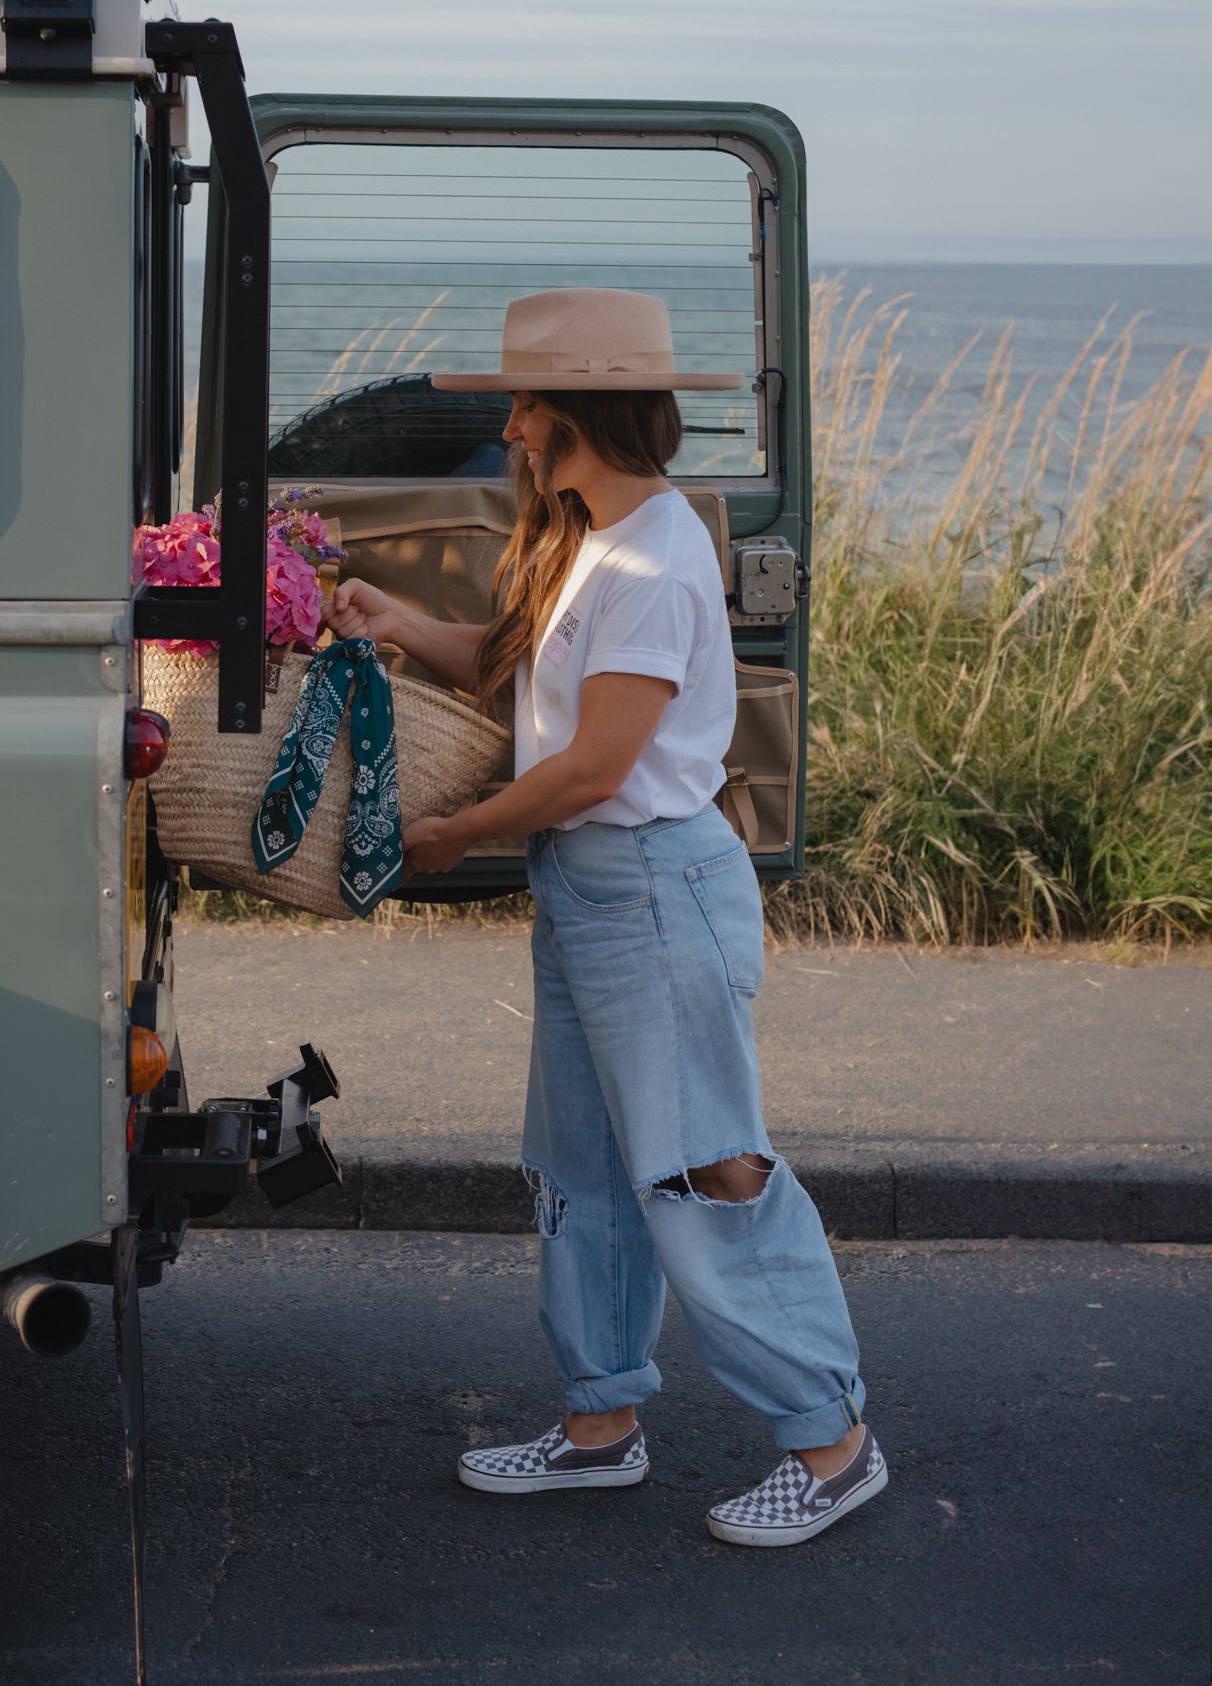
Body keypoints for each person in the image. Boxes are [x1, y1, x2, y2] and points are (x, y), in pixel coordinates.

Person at [322, 288, 887, 1547]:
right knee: (584, 1171)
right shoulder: (585, 535)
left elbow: (597, 765)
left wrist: (458, 834)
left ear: (576, 411)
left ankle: (831, 1441)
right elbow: (514, 674)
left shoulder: (652, 559)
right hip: (592, 887)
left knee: (705, 1168)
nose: (512, 429)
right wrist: (392, 619)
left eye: (525, 406)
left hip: (650, 883)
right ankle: (600, 1425)